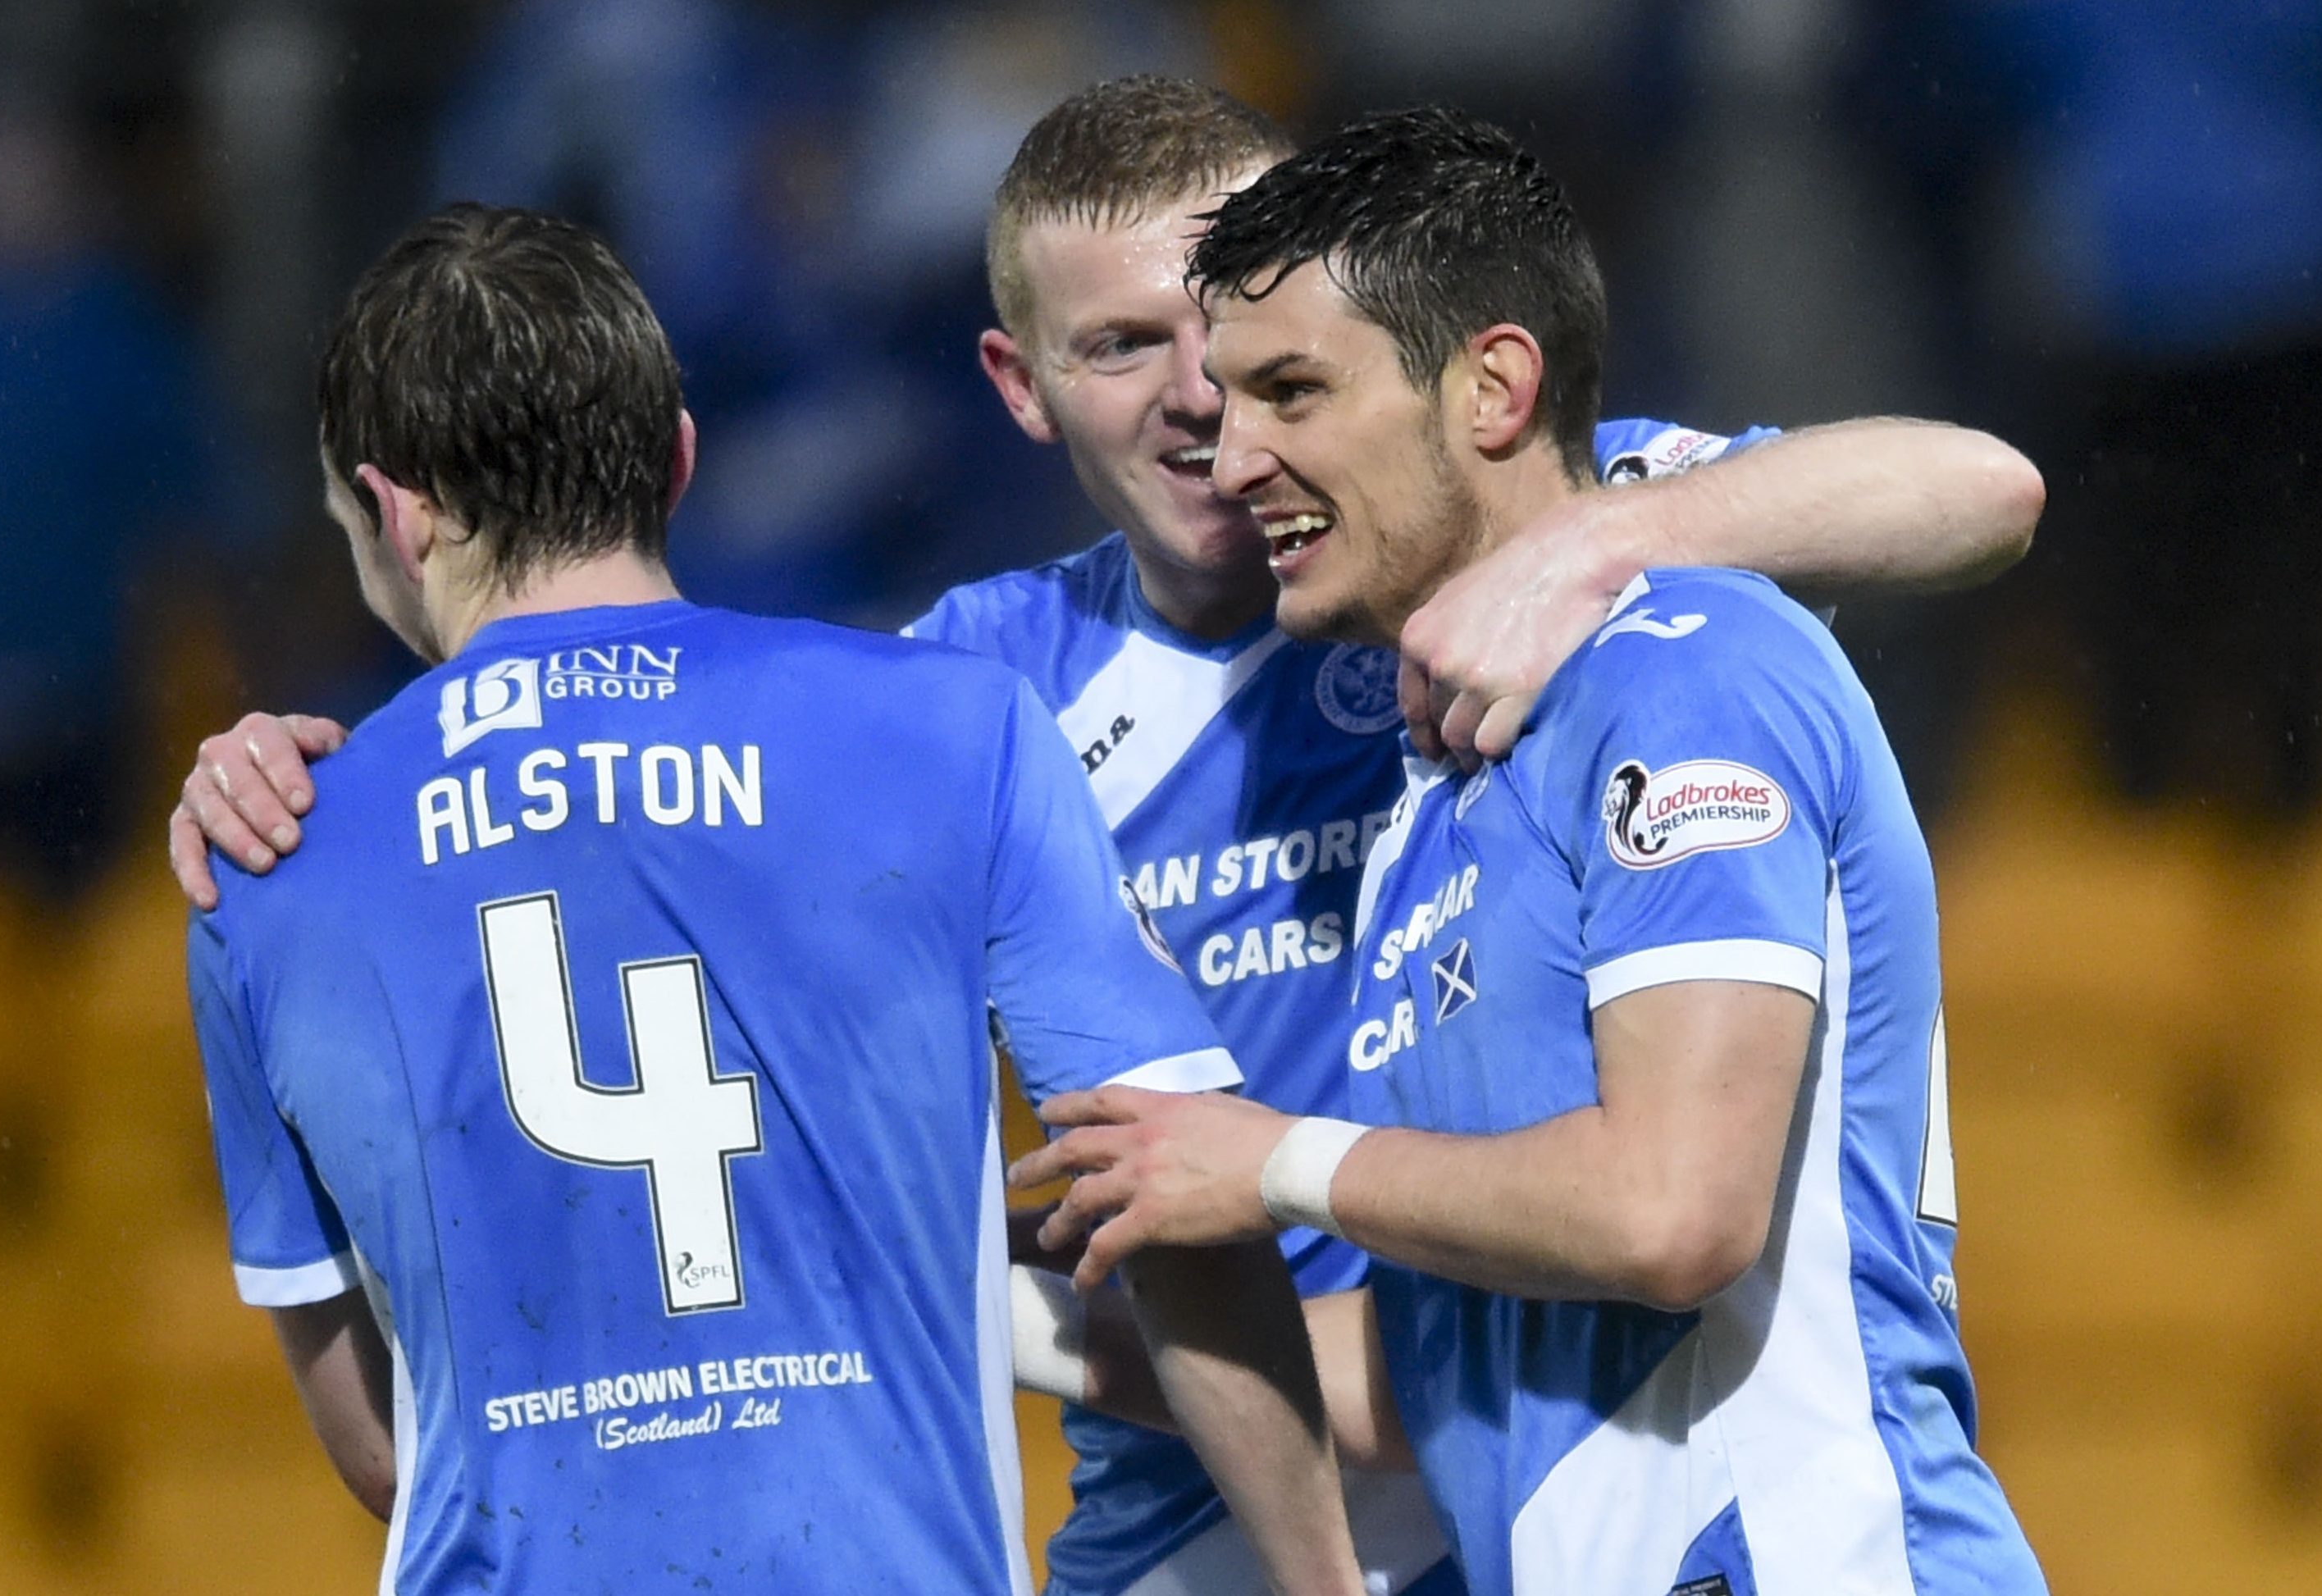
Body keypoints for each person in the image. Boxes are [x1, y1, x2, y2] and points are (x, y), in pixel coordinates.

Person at [172, 79, 2042, 1596]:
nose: (1204, 400)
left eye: (1253, 348)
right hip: (1285, 1469)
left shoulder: (1547, 570)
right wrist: (302, 777)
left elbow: (1978, 488)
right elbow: (632, 797)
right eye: (1130, 344)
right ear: (1019, 385)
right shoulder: (971, 691)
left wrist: (1603, 538)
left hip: (1572, 1448)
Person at [186, 202, 1362, 1595]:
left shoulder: (259, 863)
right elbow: (1181, 1227)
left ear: (394, 512)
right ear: (678, 462)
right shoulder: (954, 728)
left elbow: (386, 1447)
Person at [1010, 107, 2047, 1594]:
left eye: (1289, 390)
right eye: (1216, 394)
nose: (1232, 456)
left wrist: (1282, 1162)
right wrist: (1005, 1305)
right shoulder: (1436, 785)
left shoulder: (1680, 654)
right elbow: (1449, 1365)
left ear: (1494, 387)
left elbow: (1672, 1212)